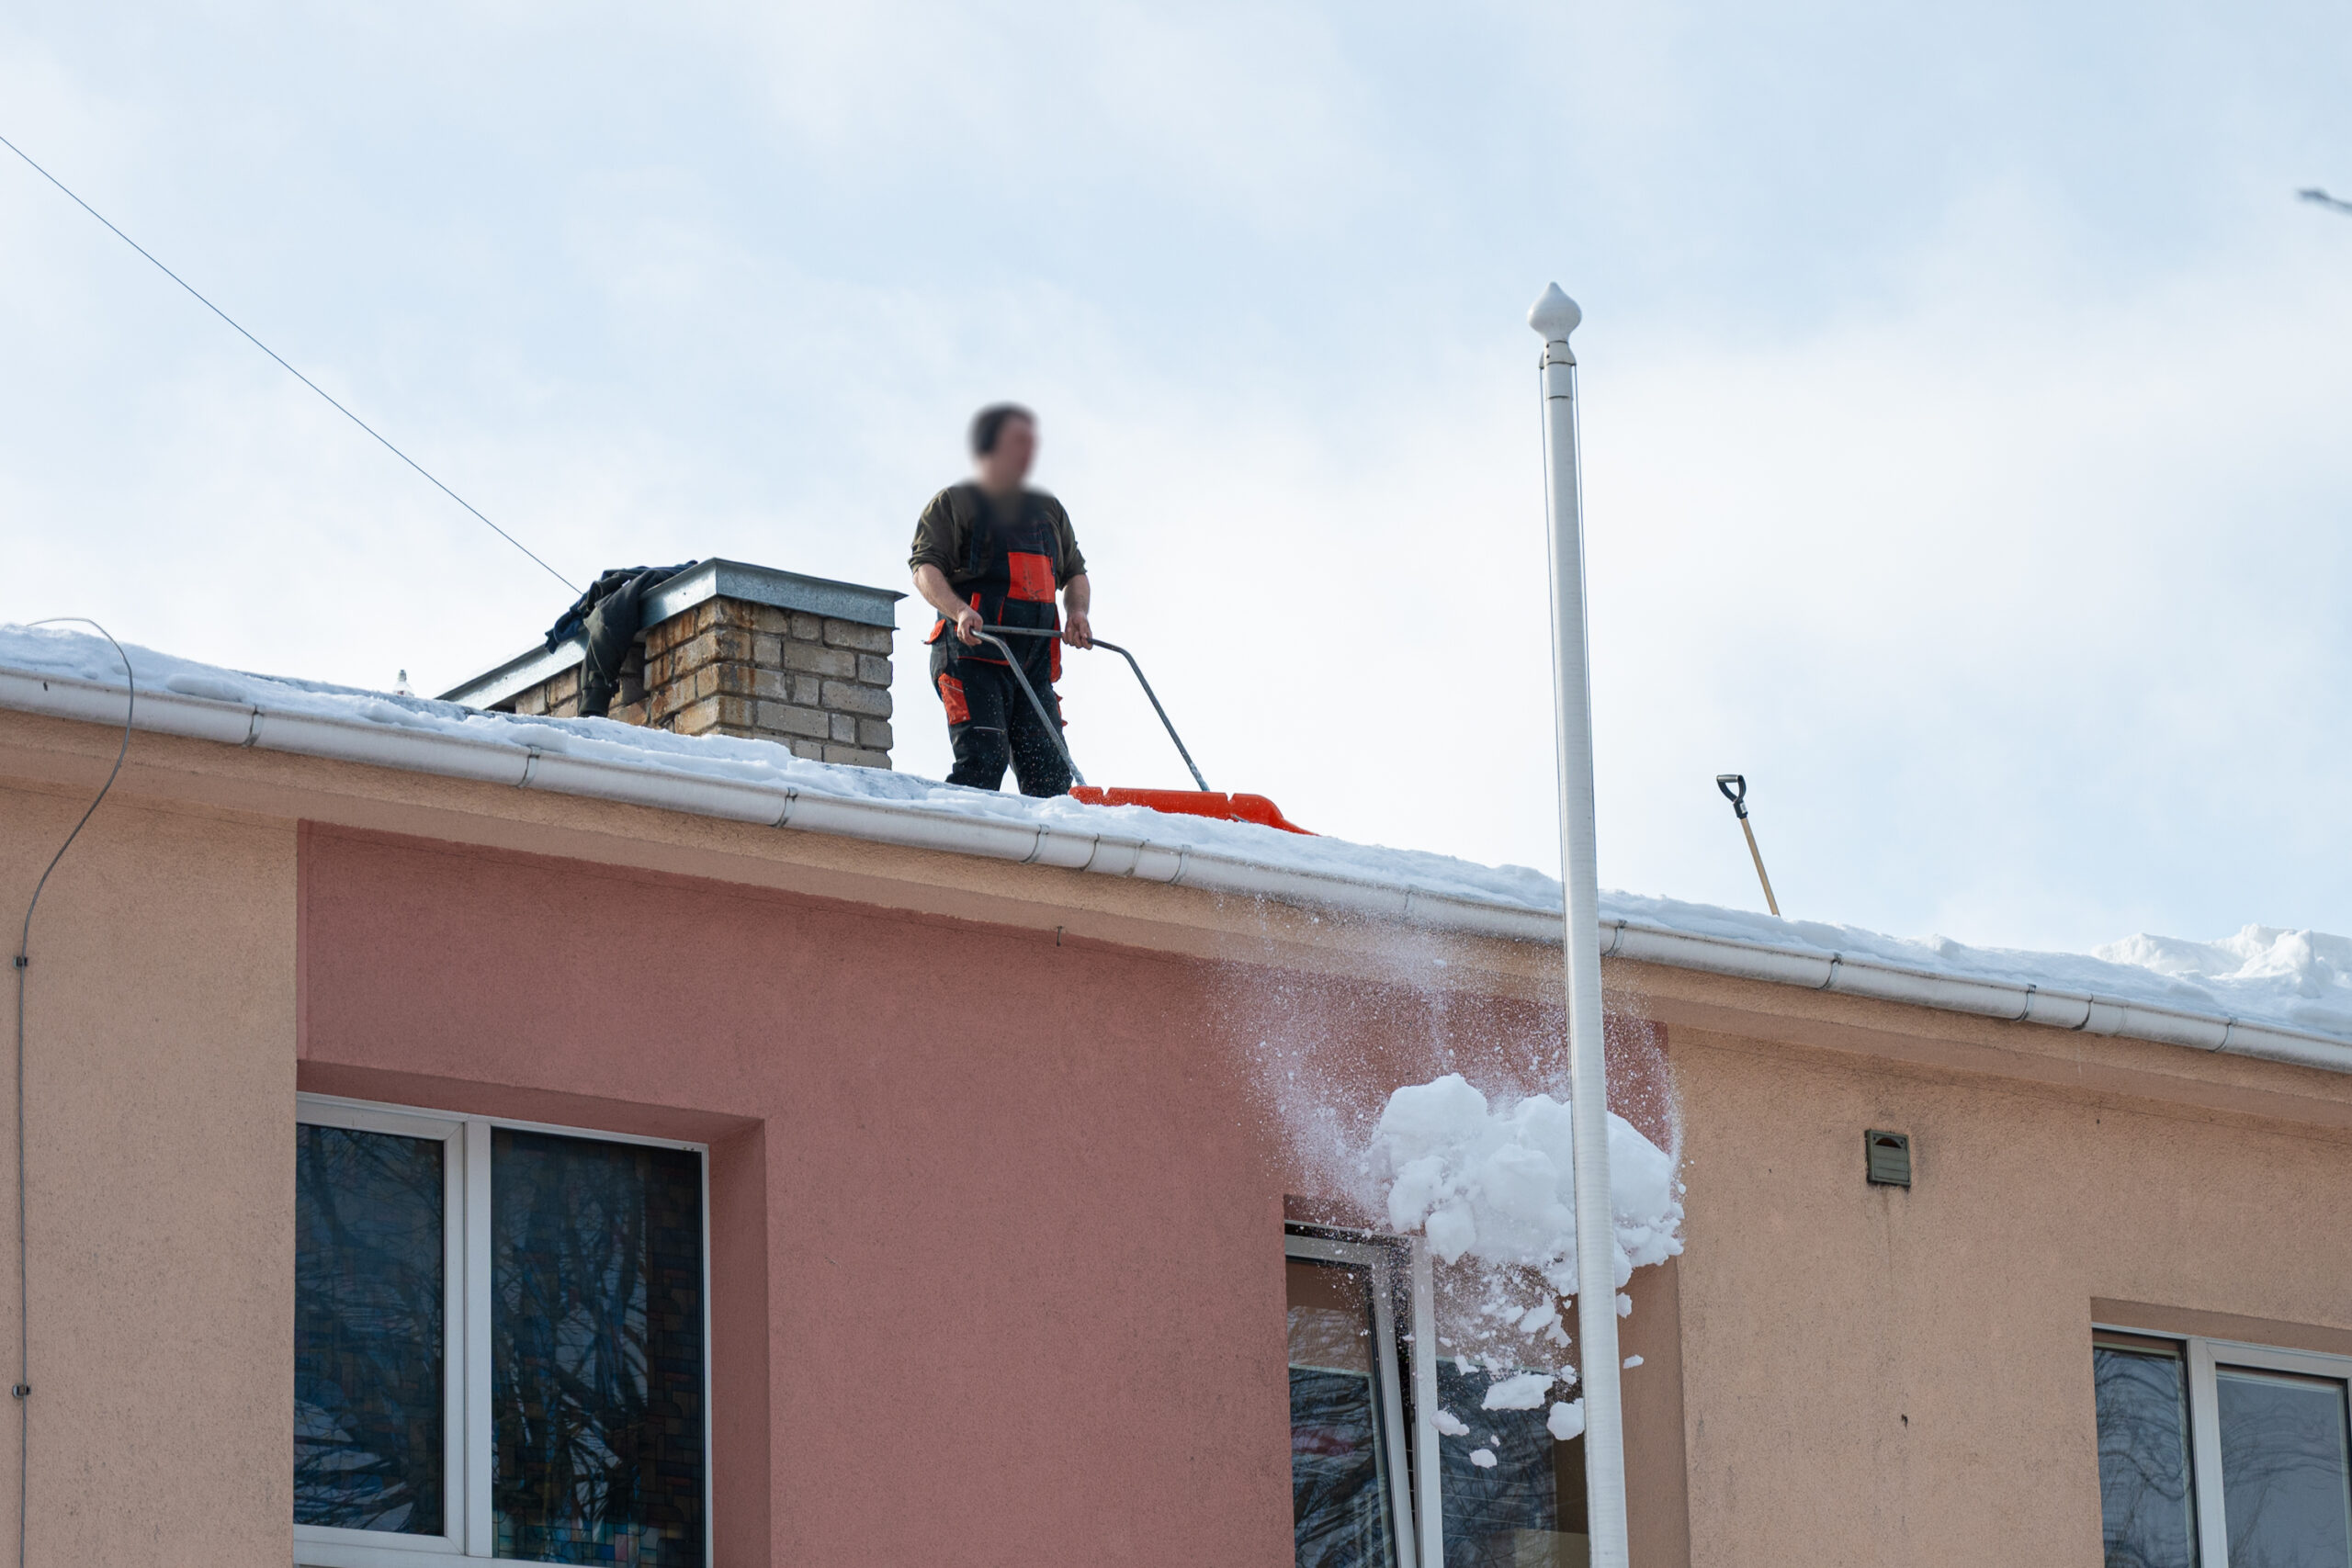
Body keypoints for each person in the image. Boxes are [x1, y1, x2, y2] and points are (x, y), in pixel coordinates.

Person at [909, 403, 1093, 795]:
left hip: (1031, 665)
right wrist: (959, 610)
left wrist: (1076, 612)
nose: (1029, 451)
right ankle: (961, 849)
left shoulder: (1048, 511)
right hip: (973, 654)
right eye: (1018, 442)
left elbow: (1075, 572)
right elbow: (924, 567)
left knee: (1052, 780)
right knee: (983, 764)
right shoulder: (955, 503)